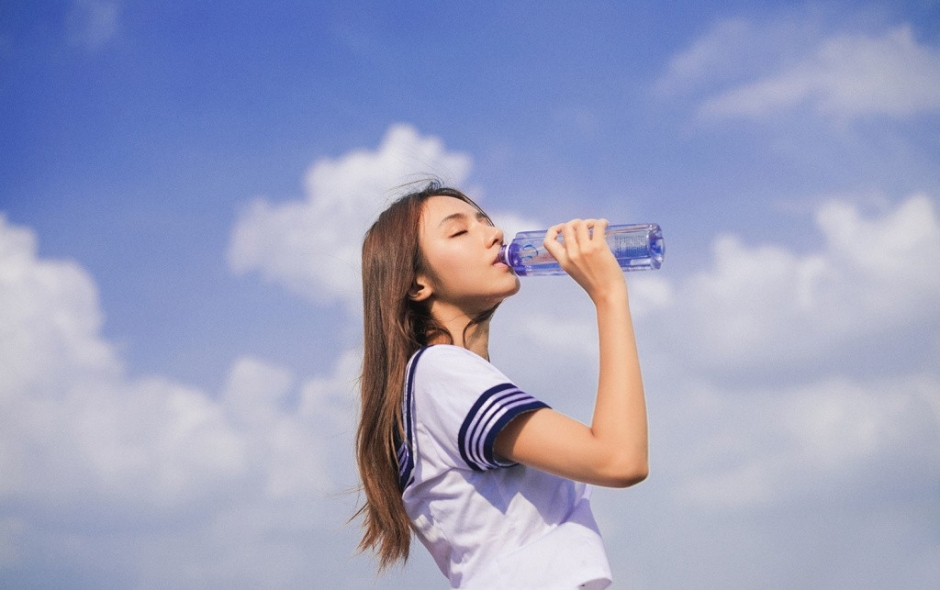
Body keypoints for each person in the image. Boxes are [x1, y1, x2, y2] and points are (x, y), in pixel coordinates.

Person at [354, 181, 649, 589]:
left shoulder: (439, 381)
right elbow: (619, 459)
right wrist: (609, 295)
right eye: (459, 231)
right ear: (417, 284)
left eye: (487, 223)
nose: (494, 234)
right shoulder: (439, 373)